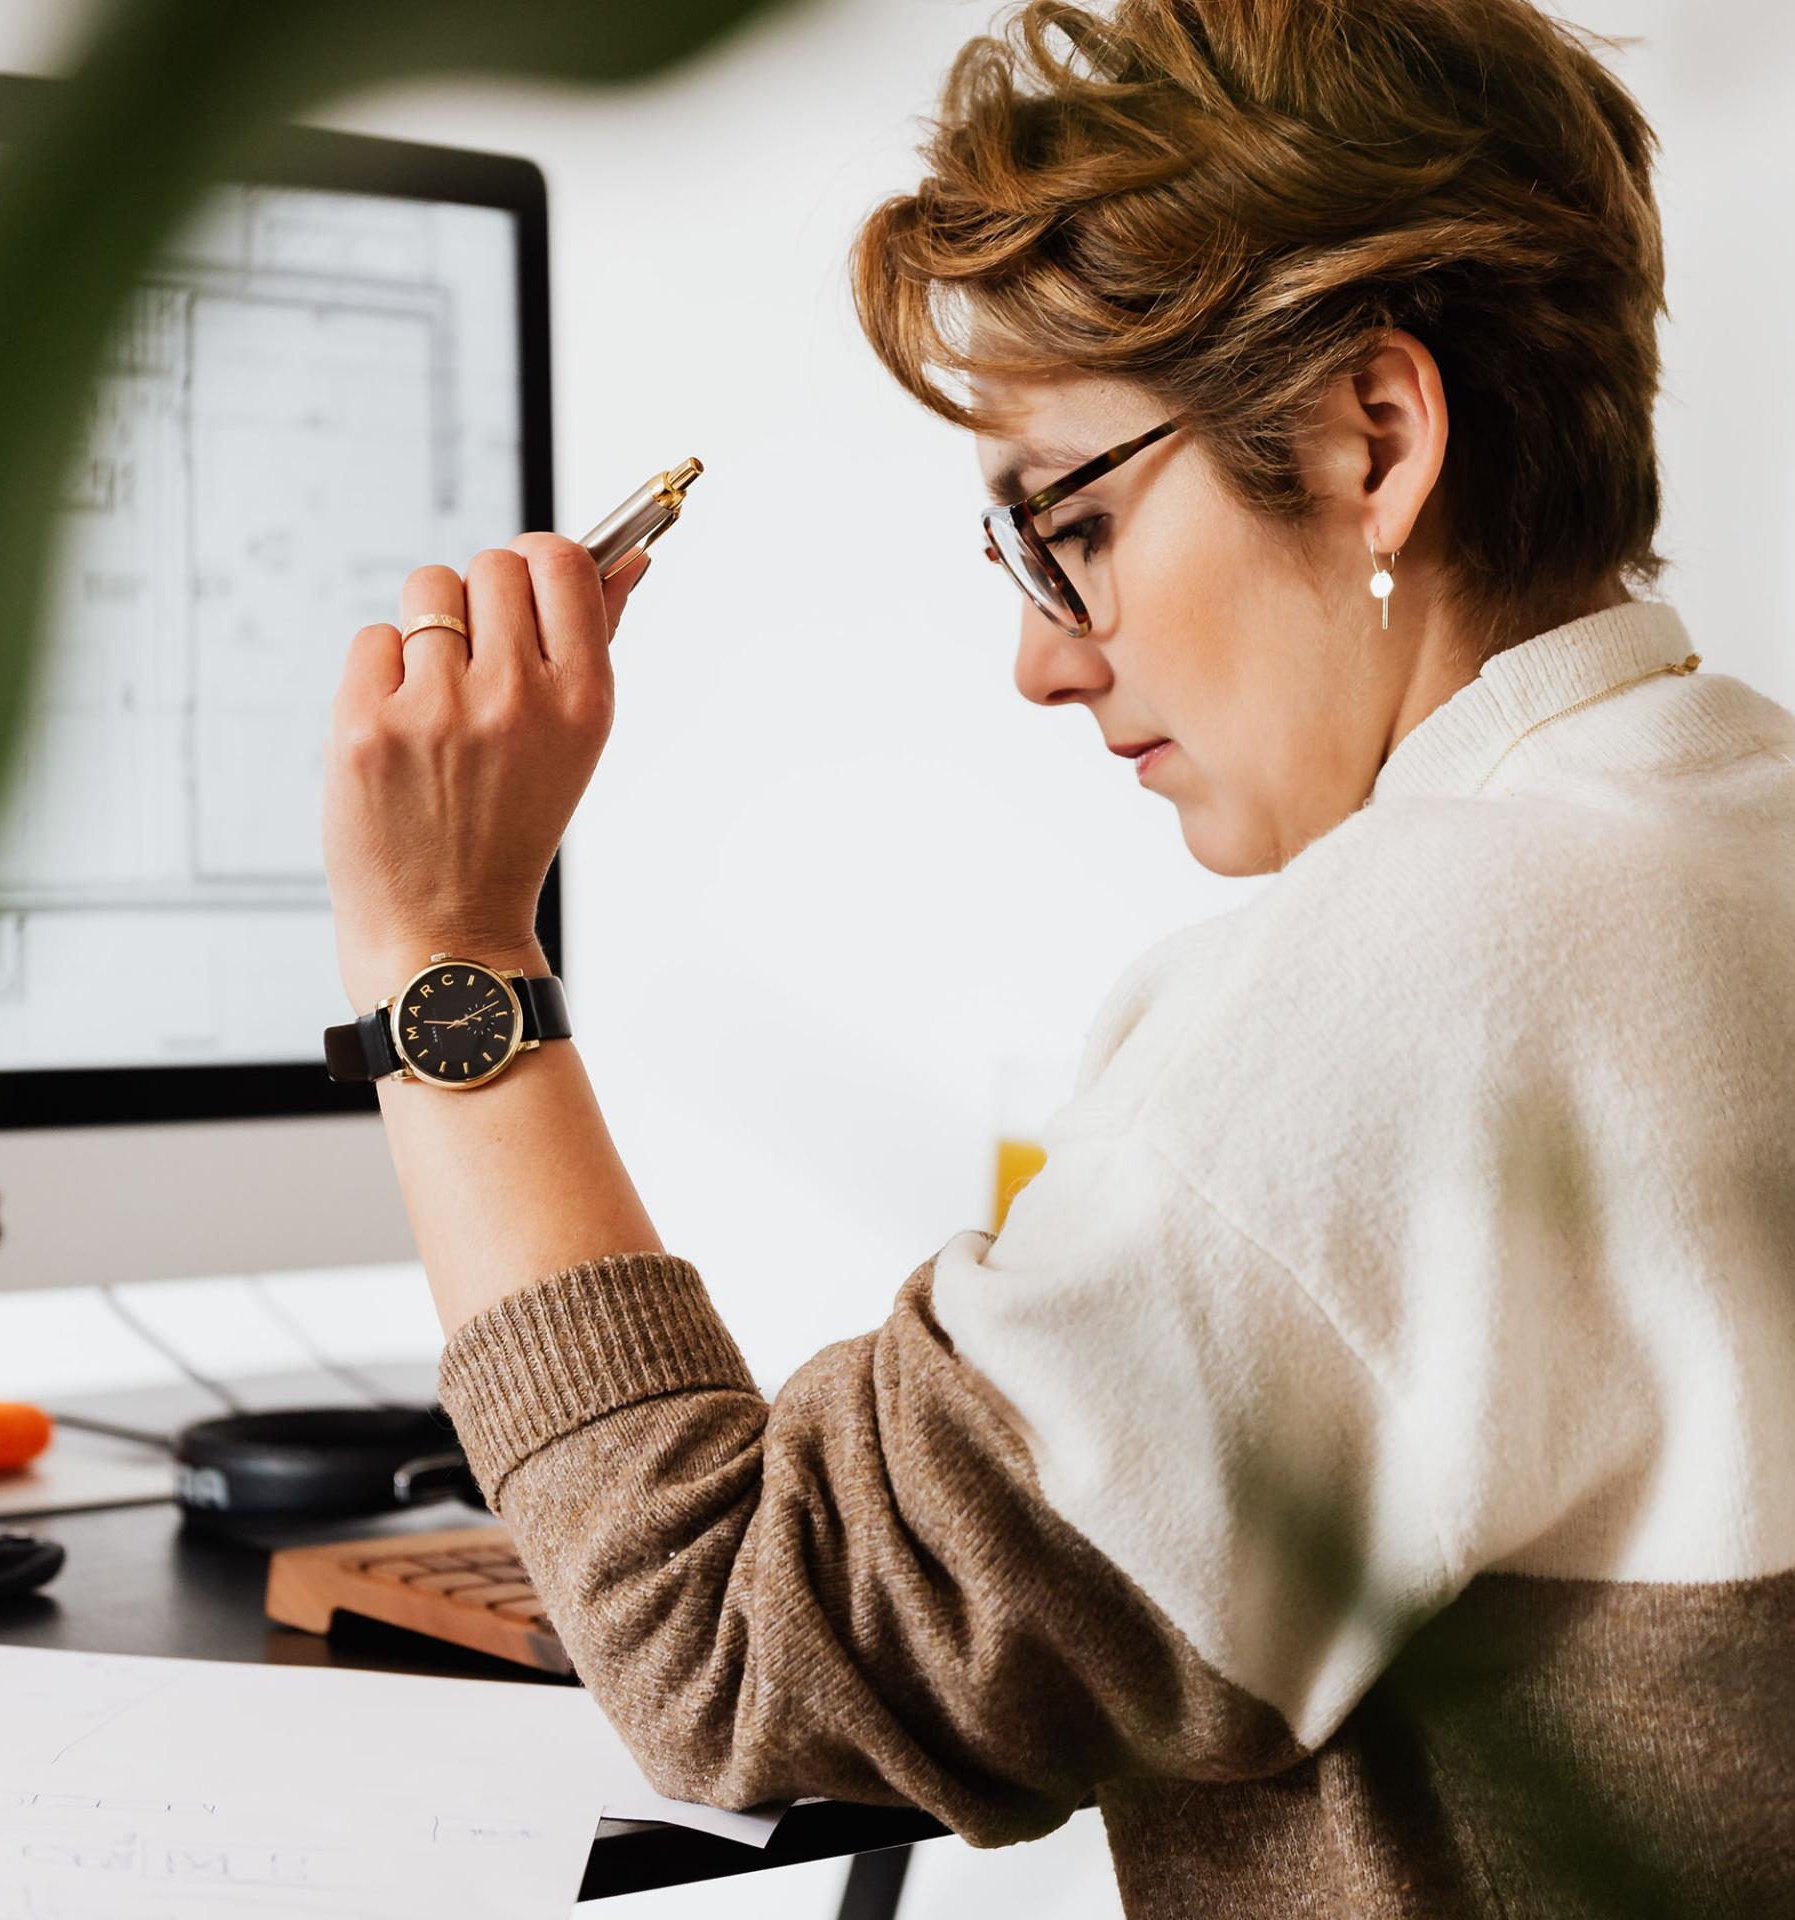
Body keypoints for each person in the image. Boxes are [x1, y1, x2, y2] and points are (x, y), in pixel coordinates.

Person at [318, 1, 1795, 1913]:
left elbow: (739, 1661)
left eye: (1071, 523)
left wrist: (449, 958)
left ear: (1373, 438)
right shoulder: (1741, 823)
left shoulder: (1443, 958)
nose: (1044, 654)